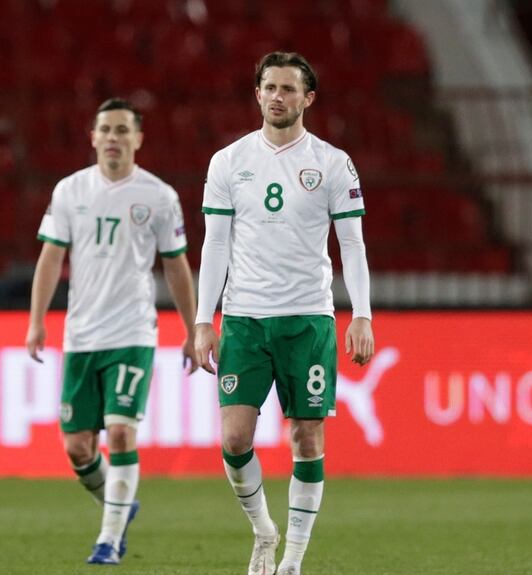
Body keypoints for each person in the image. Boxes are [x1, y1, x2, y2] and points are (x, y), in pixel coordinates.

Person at [194, 52, 375, 575]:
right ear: (257, 94)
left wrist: (360, 313)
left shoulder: (333, 163)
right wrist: (205, 318)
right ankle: (263, 531)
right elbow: (215, 245)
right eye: (269, 87)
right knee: (234, 438)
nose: (278, 96)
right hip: (246, 318)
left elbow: (353, 244)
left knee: (306, 436)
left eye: (289, 89)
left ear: (307, 98)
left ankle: (293, 558)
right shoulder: (228, 161)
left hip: (308, 319)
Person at [25, 97, 198, 565]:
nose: (114, 138)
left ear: (138, 139)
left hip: (133, 332)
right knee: (78, 446)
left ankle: (109, 539)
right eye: (106, 129)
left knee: (120, 435)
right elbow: (51, 258)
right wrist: (37, 320)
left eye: (123, 130)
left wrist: (192, 328)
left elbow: (176, 265)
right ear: (93, 136)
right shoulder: (70, 191)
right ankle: (120, 507)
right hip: (82, 336)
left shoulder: (158, 196)